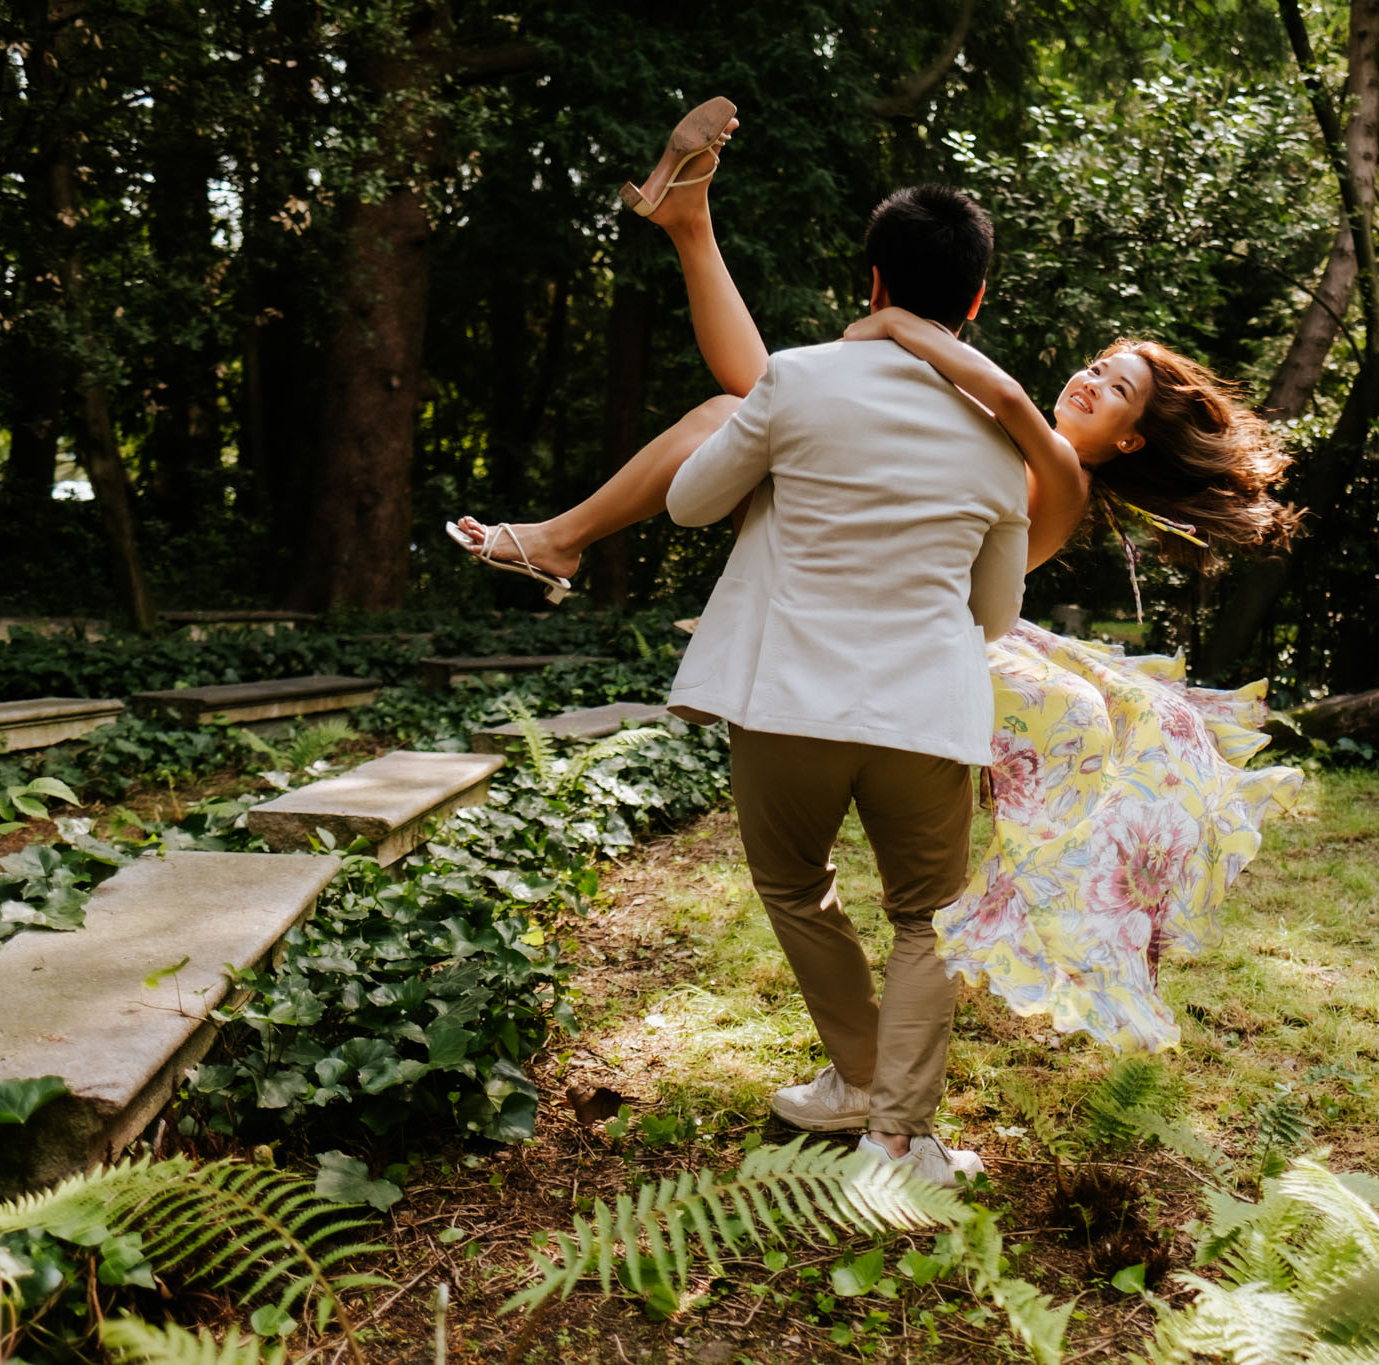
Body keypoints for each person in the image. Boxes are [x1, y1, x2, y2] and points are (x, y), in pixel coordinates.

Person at [452, 99, 1302, 1089]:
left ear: (1126, 442)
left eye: (1110, 390)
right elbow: (836, 394)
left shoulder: (1047, 473)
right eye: (1095, 365)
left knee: (749, 401)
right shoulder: (995, 434)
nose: (1086, 381)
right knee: (748, 397)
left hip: (945, 654)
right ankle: (684, 238)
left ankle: (577, 497)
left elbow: (999, 428)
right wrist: (895, 343)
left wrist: (893, 323)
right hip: (911, 630)